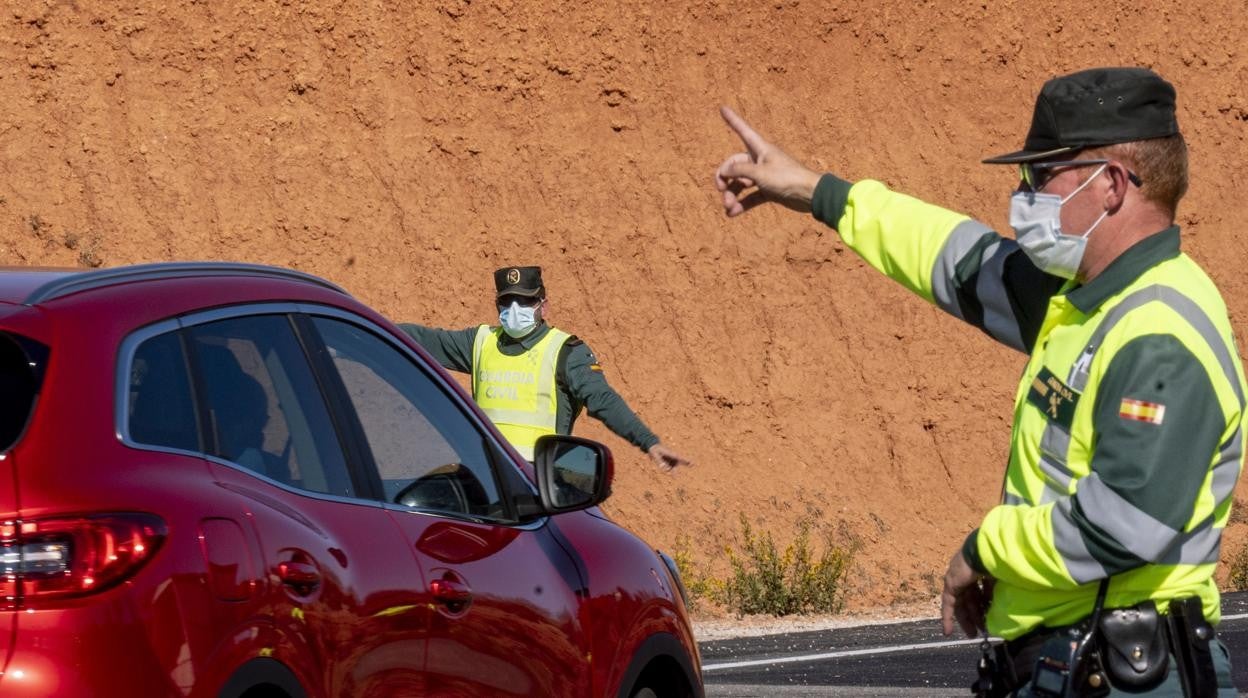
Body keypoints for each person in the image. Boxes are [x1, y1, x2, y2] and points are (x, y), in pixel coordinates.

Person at [715, 67, 1243, 695]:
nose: (1024, 195)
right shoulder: (1084, 300)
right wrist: (812, 190)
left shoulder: (1158, 332)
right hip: (1077, 663)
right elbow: (955, 257)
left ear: (1110, 184)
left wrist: (985, 549)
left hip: (1131, 673)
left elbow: (1127, 523)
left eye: (1042, 175)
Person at [399, 265, 690, 470]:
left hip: (538, 485)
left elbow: (602, 399)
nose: (515, 309)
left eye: (525, 301)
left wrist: (648, 442)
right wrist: (370, 324)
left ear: (543, 306)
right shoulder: (480, 341)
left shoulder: (565, 351)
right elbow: (421, 339)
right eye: (507, 301)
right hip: (487, 480)